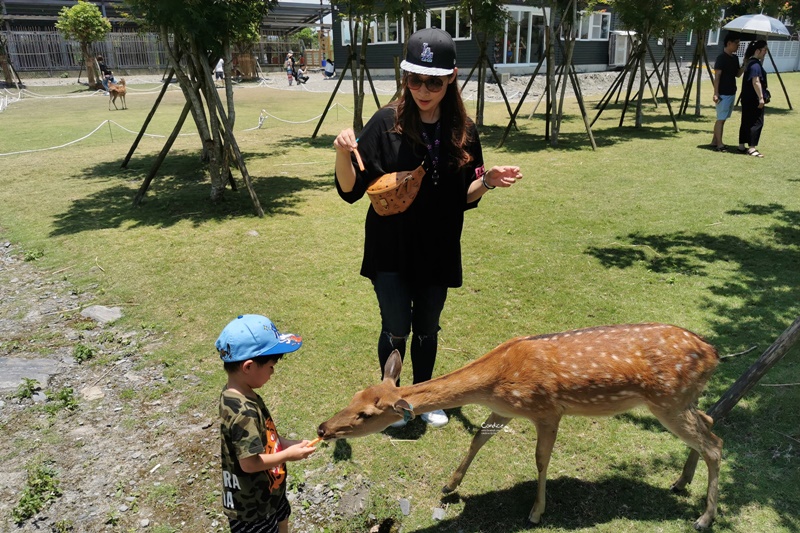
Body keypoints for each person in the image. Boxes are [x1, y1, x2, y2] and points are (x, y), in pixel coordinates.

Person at [333, 28, 522, 429]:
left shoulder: (463, 130)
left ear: (451, 77)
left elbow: (464, 196)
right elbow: (350, 191)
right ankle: (391, 399)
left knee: (428, 329)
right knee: (396, 327)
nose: (422, 89)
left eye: (433, 81)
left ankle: (423, 396)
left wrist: (487, 180)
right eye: (414, 79)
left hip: (438, 247)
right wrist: (341, 153)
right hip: (391, 249)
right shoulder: (386, 122)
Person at [217, 314, 317, 533]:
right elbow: (249, 463)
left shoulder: (239, 393)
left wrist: (290, 443)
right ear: (248, 366)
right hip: (252, 506)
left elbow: (266, 435)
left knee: (282, 518)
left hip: (269, 492)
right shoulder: (243, 412)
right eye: (271, 367)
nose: (272, 373)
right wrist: (288, 456)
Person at [711, 32, 744, 152]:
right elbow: (717, 76)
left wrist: (745, 64)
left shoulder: (735, 58)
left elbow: (738, 74)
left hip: (731, 92)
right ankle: (719, 144)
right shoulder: (721, 58)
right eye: (736, 43)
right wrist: (716, 93)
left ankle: (714, 141)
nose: (738, 46)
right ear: (729, 43)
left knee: (723, 118)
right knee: (721, 118)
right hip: (723, 93)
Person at [738, 40, 769, 158]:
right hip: (753, 99)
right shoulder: (755, 65)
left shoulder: (749, 63)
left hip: (746, 98)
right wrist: (761, 98)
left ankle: (741, 145)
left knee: (745, 120)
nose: (765, 52)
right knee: (756, 122)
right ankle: (751, 148)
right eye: (764, 50)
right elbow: (756, 81)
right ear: (757, 51)